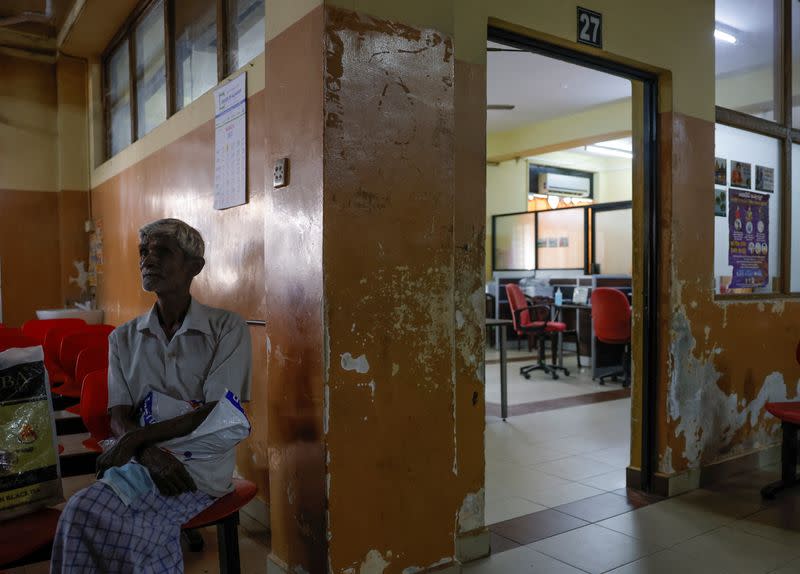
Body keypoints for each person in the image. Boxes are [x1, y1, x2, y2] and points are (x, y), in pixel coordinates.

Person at [50, 218, 251, 573]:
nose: (147, 259)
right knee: (77, 515)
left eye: (162, 251)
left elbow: (215, 409)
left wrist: (136, 442)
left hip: (199, 468)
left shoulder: (226, 327)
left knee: (133, 533)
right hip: (142, 461)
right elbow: (119, 415)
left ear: (195, 267)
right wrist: (147, 452)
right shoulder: (123, 339)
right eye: (144, 251)